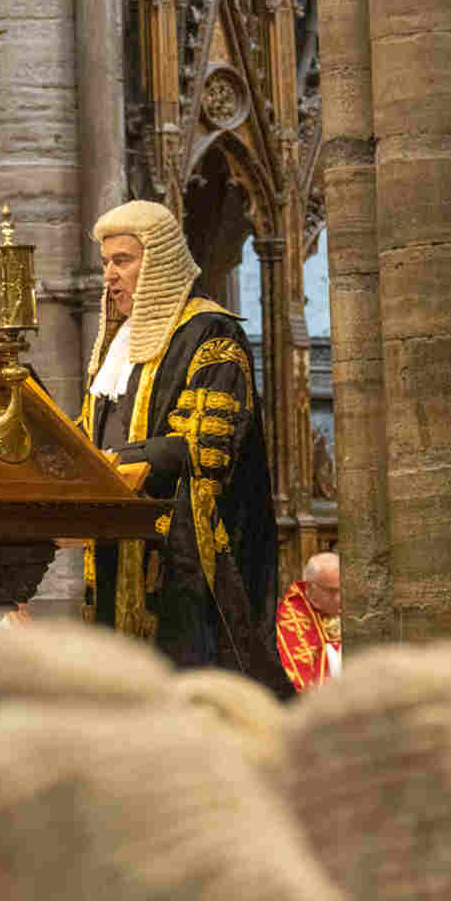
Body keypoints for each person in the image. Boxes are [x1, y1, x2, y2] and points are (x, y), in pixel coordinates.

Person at [79, 199, 286, 697]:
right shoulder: (118, 344)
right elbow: (88, 431)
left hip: (183, 556)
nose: (109, 275)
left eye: (122, 260)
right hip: (116, 539)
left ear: (160, 263)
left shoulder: (211, 332)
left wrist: (115, 462)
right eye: (105, 262)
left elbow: (208, 450)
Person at [276, 551, 343, 691]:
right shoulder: (288, 620)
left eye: (343, 589)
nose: (340, 598)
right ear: (310, 588)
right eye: (332, 591)